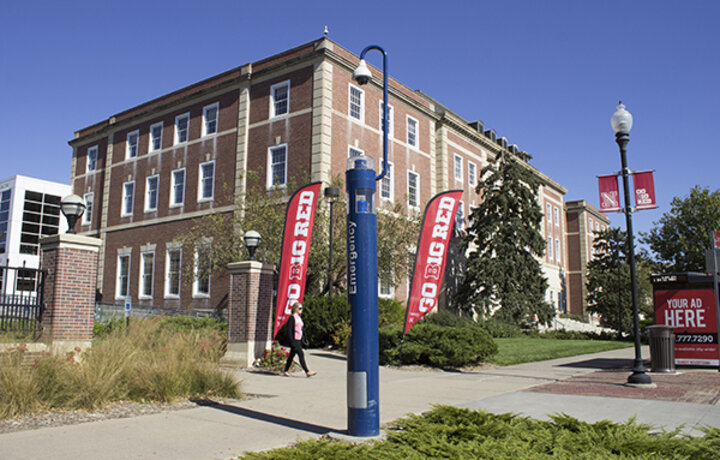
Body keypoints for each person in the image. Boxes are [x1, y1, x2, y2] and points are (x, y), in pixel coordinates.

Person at [283, 302, 316, 377]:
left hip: (299, 339)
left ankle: (285, 371)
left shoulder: (299, 317)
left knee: (291, 356)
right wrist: (291, 341)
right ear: (295, 309)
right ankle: (307, 371)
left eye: (302, 308)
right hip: (294, 340)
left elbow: (301, 329)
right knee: (301, 354)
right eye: (300, 308)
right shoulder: (292, 318)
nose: (301, 310)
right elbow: (289, 330)